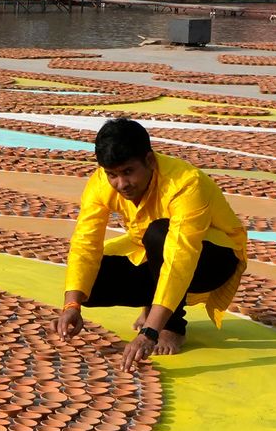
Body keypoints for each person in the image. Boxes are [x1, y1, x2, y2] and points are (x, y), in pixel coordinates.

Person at [60, 116, 248, 364]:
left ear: (149, 161)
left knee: (160, 233)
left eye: (128, 172)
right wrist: (71, 306)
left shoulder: (185, 183)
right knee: (88, 284)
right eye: (112, 175)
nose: (122, 184)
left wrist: (151, 331)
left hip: (213, 259)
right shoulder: (100, 184)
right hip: (152, 251)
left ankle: (172, 325)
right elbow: (85, 243)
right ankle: (155, 303)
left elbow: (181, 257)